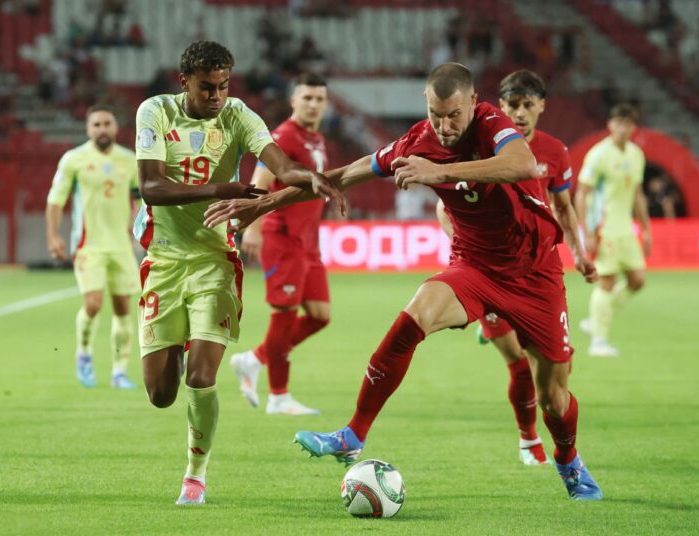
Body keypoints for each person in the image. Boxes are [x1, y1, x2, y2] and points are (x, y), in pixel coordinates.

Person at [205, 63, 603, 501]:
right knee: (413, 316)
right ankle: (353, 434)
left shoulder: (492, 122)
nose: (445, 125)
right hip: (474, 265)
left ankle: (568, 460)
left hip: (535, 273)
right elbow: (342, 175)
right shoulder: (419, 140)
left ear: (472, 102)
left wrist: (441, 173)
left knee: (553, 398)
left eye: (453, 114)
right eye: (436, 114)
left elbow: (522, 163)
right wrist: (263, 206)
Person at [134, 41, 343, 506]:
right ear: (182, 80)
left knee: (202, 378)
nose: (216, 95)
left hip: (214, 259)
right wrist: (221, 189)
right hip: (164, 259)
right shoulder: (155, 113)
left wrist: (304, 177)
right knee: (160, 394)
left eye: (224, 85)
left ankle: (196, 475)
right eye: (207, 87)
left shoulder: (238, 115)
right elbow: (150, 187)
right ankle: (181, 344)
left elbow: (280, 163)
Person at [435, 69, 597, 466]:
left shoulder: (555, 152)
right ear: (500, 106)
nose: (520, 113)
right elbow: (444, 206)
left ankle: (547, 438)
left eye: (527, 105)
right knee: (519, 364)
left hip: (537, 271)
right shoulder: (484, 145)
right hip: (490, 271)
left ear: (542, 106)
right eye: (512, 105)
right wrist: (468, 254)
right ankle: (528, 440)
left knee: (560, 371)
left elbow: (563, 208)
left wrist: (580, 251)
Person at [230, 72, 333, 415]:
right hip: (282, 236)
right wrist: (255, 227)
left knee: (319, 316)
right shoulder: (283, 136)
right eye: (307, 98)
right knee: (285, 315)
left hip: (308, 243)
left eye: (319, 99)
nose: (313, 104)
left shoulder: (316, 139)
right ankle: (279, 396)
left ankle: (254, 359)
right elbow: (261, 180)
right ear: (293, 101)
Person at [46, 104, 139, 390]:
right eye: (96, 124)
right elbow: (55, 201)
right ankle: (84, 355)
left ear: (115, 127)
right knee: (93, 303)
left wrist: (139, 229)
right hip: (89, 245)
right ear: (88, 129)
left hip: (121, 246)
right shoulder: (73, 159)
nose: (102, 129)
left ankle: (119, 371)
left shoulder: (130, 160)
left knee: (124, 308)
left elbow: (139, 198)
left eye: (106, 124)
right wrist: (53, 236)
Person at [574, 103, 651, 358]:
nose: (621, 128)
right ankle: (598, 341)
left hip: (625, 229)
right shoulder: (598, 154)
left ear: (633, 128)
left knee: (637, 281)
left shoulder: (636, 154)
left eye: (627, 123)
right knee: (606, 282)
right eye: (617, 122)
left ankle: (595, 320)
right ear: (610, 125)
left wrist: (647, 229)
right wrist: (586, 232)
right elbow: (582, 193)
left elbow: (638, 194)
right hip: (603, 227)